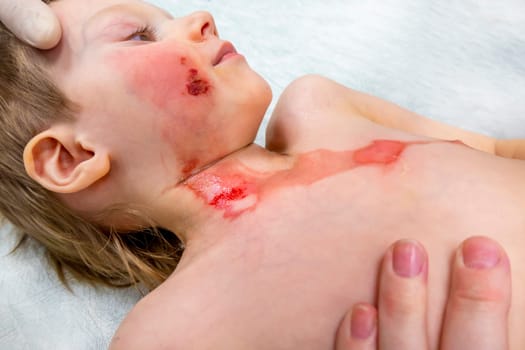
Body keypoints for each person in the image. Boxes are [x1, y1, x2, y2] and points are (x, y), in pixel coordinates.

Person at [0, 0, 517, 348]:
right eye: (138, 36)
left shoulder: (320, 105)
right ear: (70, 159)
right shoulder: (172, 331)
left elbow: (499, 150)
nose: (202, 19)